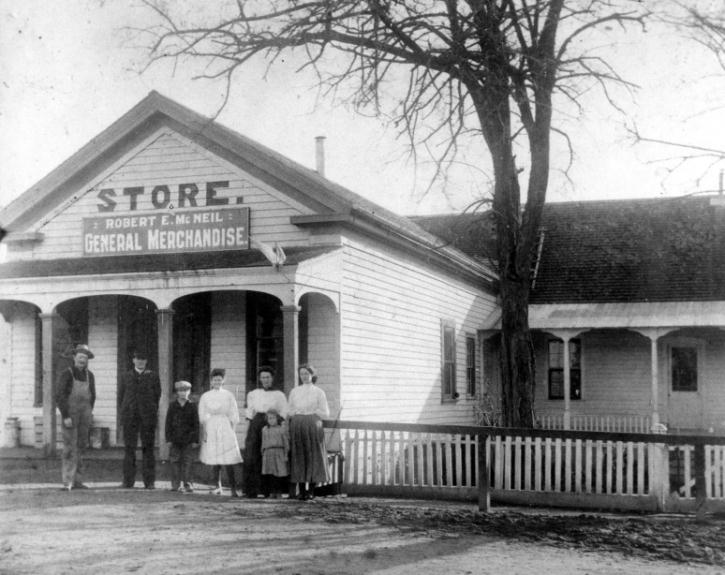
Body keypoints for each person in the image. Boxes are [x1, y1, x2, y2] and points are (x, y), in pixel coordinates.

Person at [55, 344, 96, 491]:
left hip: (85, 415)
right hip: (71, 415)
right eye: (80, 357)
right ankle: (68, 482)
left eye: (85, 358)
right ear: (74, 358)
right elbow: (60, 396)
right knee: (70, 447)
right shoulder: (67, 374)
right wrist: (65, 415)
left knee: (81, 447)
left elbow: (93, 396)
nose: (82, 360)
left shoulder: (89, 376)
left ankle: (78, 481)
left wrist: (89, 413)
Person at [118, 350, 161, 489]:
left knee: (148, 448)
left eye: (143, 359)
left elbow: (157, 396)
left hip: (147, 418)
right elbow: (121, 397)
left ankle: (149, 482)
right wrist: (126, 411)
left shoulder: (153, 376)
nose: (140, 361)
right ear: (133, 360)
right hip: (130, 416)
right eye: (138, 358)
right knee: (129, 448)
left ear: (146, 361)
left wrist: (149, 410)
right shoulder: (126, 376)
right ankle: (128, 481)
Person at [243, 366, 288, 498]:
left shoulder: (279, 395)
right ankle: (252, 490)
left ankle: (270, 490)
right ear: (260, 379)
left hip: (272, 423)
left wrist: (276, 422)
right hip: (256, 425)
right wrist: (250, 427)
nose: (265, 380)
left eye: (268, 377)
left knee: (270, 455)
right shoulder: (254, 393)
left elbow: (284, 411)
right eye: (263, 377)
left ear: (272, 378)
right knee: (253, 455)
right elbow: (250, 412)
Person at [287, 364, 330, 500]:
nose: (304, 376)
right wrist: (296, 414)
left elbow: (325, 413)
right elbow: (289, 410)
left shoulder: (319, 392)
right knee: (299, 455)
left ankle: (311, 490)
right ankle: (301, 489)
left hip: (312, 424)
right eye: (301, 374)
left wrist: (313, 412)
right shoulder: (295, 391)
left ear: (312, 375)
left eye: (306, 373)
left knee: (313, 455)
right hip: (298, 424)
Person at [198, 368, 242, 497]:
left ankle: (233, 488)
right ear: (211, 381)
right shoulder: (206, 396)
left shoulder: (228, 395)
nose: (217, 382)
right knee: (215, 457)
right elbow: (202, 413)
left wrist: (232, 427)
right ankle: (218, 486)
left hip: (225, 425)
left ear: (223, 381)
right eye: (214, 379)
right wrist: (205, 426)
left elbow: (234, 412)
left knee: (228, 457)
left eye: (219, 379)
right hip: (211, 425)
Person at [165, 380, 199, 493]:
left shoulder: (192, 406)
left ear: (189, 392)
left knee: (188, 462)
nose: (183, 393)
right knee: (175, 461)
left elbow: (196, 424)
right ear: (177, 392)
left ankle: (188, 484)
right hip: (175, 439)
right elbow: (168, 423)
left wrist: (195, 440)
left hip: (189, 439)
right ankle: (175, 484)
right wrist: (168, 439)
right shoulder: (172, 406)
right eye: (180, 391)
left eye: (186, 391)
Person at [261, 408, 290, 499]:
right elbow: (263, 442)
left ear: (277, 418)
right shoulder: (265, 429)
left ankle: (279, 492)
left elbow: (286, 443)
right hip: (268, 453)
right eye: (269, 418)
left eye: (273, 418)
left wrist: (286, 454)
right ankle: (272, 492)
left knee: (279, 474)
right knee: (271, 474)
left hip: (279, 452)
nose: (271, 420)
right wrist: (263, 452)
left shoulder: (281, 429)